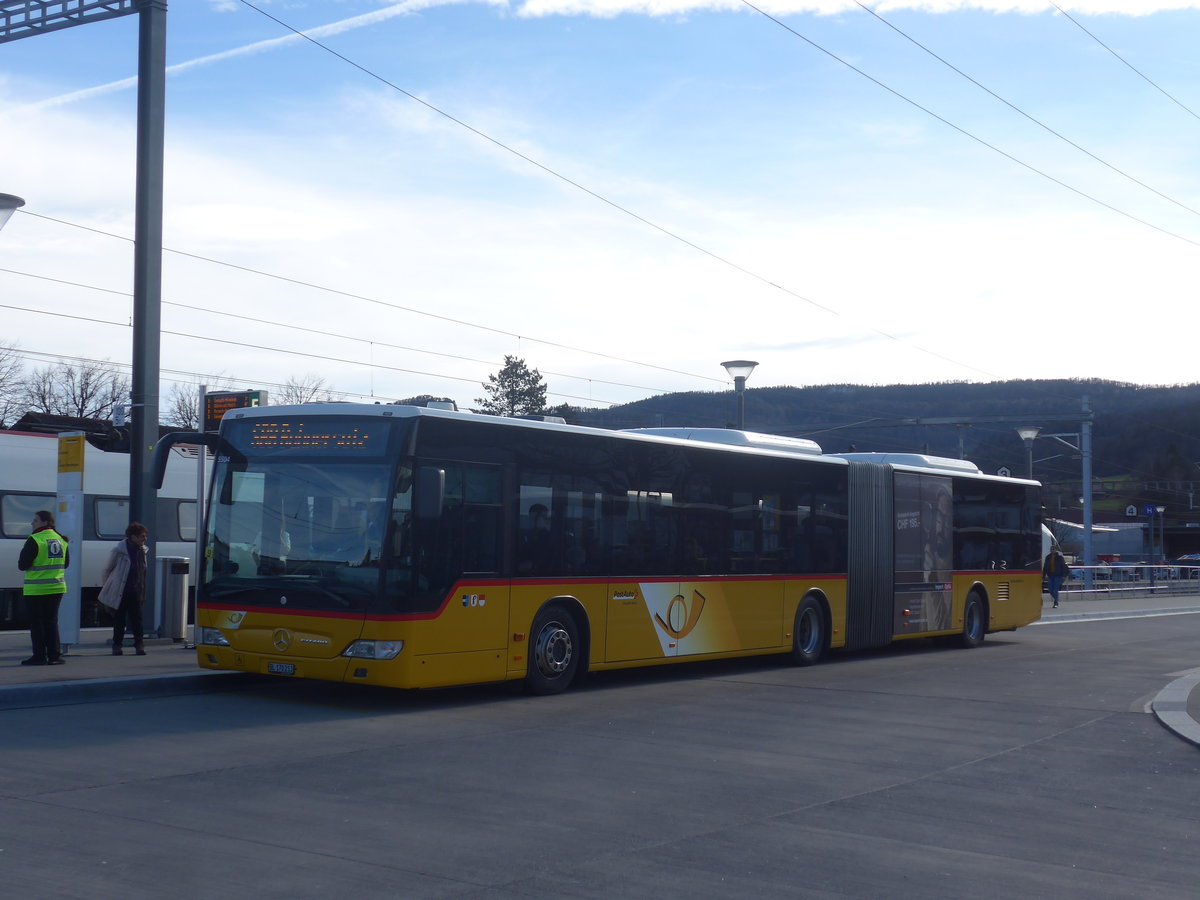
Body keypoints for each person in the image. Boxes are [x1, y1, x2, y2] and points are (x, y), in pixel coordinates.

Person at [17, 510, 70, 666]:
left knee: (37, 623)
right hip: (57, 587)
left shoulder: (35, 539)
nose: (32, 523)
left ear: (45, 522)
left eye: (35, 520)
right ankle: (54, 656)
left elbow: (22, 565)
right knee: (51, 622)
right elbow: (66, 564)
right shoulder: (61, 539)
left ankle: (39, 656)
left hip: (36, 589)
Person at [99, 522, 149, 655]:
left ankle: (139, 645)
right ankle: (117, 646)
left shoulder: (142, 551)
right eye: (141, 536)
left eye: (145, 536)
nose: (144, 539)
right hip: (120, 591)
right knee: (119, 620)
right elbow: (107, 570)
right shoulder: (119, 551)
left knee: (137, 619)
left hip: (136, 591)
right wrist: (109, 587)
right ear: (132, 537)